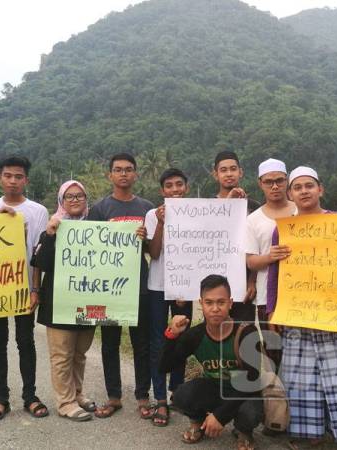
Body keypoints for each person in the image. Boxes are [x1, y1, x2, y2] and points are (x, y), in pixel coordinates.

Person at [270, 167, 337, 450]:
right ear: (290, 194)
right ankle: (311, 434)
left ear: (320, 189)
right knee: (302, 377)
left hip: (334, 315)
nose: (304, 191)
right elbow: (276, 272)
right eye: (297, 187)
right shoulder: (284, 229)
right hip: (298, 315)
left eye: (309, 186)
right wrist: (273, 310)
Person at [0, 155, 49, 421]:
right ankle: (1, 397)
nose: (12, 181)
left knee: (25, 340)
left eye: (18, 176)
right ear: (0, 177)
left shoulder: (38, 211)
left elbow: (37, 255)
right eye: (8, 175)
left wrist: (35, 289)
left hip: (23, 287)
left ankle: (30, 395)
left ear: (26, 180)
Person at [159, 274, 264, 450]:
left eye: (221, 302)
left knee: (250, 412)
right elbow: (165, 367)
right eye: (209, 302)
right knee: (181, 395)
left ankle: (244, 431)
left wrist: (219, 416)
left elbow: (251, 381)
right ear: (201, 304)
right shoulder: (195, 335)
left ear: (230, 303)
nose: (215, 308)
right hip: (214, 388)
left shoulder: (247, 332)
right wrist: (172, 335)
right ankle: (197, 422)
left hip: (243, 391)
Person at [87, 152, 154, 419]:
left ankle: (142, 396)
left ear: (136, 174)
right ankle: (113, 396)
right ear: (110, 175)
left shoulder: (147, 208)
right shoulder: (100, 209)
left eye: (128, 169)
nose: (123, 174)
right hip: (109, 290)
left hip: (140, 286)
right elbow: (89, 249)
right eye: (118, 169)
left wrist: (147, 238)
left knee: (142, 344)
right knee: (110, 344)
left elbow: (155, 248)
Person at [30, 180, 96, 421]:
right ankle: (65, 402)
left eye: (80, 195)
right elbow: (41, 264)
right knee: (61, 356)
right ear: (61, 201)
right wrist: (49, 235)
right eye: (69, 197)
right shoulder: (51, 229)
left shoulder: (96, 228)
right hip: (58, 303)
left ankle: (78, 393)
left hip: (88, 302)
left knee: (80, 353)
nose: (75, 200)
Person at [146, 168, 193, 426]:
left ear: (186, 187)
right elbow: (153, 253)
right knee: (159, 342)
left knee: (181, 341)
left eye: (179, 184)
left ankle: (178, 392)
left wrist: (187, 288)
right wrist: (162, 222)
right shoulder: (152, 215)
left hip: (184, 287)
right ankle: (160, 399)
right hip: (157, 286)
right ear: (162, 190)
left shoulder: (195, 214)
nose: (174, 190)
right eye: (169, 186)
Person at [245, 158, 297, 324]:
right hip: (267, 296)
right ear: (261, 183)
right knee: (273, 347)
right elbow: (251, 262)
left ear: (286, 180)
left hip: (301, 294)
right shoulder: (253, 220)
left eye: (279, 181)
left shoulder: (302, 211)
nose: (274, 186)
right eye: (269, 182)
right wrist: (270, 257)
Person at [212, 151, 258, 321]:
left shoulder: (254, 207)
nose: (229, 174)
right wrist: (228, 204)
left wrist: (252, 280)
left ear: (241, 171)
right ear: (215, 174)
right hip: (215, 280)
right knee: (216, 330)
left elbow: (257, 246)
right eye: (223, 170)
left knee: (243, 331)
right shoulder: (205, 207)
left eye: (233, 169)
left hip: (244, 282)